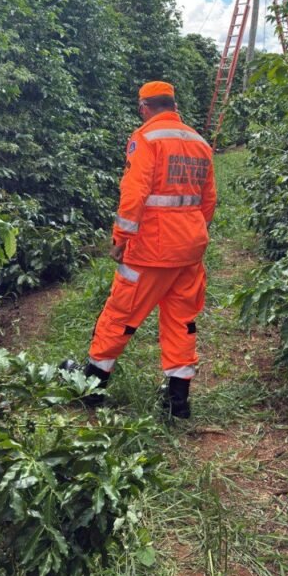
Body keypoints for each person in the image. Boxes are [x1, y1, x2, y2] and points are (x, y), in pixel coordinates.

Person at [61, 81, 217, 418]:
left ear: (144, 107)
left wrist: (121, 238)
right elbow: (208, 201)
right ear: (174, 106)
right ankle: (177, 401)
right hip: (189, 250)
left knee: (120, 315)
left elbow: (134, 193)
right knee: (181, 321)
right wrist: (191, 232)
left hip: (150, 249)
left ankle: (92, 386)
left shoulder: (146, 138)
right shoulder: (200, 142)